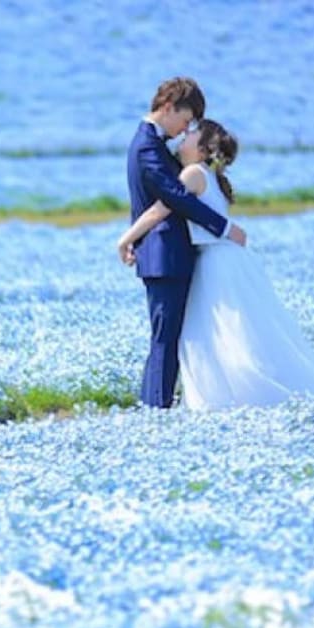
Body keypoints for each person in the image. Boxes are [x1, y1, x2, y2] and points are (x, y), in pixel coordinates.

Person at [118, 119, 314, 410]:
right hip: (223, 256)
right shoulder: (210, 176)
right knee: (232, 328)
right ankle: (229, 393)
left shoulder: (192, 174)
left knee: (221, 330)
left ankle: (233, 394)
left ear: (204, 148)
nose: (183, 137)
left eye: (191, 134)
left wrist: (124, 239)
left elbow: (158, 211)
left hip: (215, 260)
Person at [126, 77, 247, 408]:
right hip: (164, 255)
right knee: (166, 338)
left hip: (171, 254)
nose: (184, 130)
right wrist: (224, 227)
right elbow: (174, 197)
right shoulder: (147, 146)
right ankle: (155, 408)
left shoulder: (155, 144)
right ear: (167, 107)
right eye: (185, 120)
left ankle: (156, 406)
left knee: (172, 336)